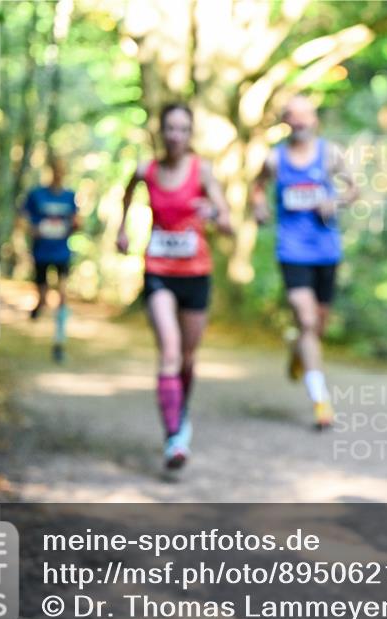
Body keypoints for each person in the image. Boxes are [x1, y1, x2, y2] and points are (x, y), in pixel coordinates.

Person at [117, 103, 232, 470]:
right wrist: (121, 229)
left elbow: (227, 220)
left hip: (196, 273)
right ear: (161, 131)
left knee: (187, 358)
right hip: (159, 272)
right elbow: (126, 193)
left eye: (183, 129)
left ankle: (180, 411)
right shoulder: (146, 169)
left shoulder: (203, 171)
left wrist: (212, 213)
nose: (176, 135)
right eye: (170, 128)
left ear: (190, 133)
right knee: (169, 351)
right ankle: (174, 437)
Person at [251, 95, 358, 430]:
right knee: (308, 320)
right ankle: (321, 401)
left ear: (314, 121)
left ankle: (299, 352)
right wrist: (259, 207)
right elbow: (257, 187)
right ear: (285, 123)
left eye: (303, 117)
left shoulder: (330, 154)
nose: (298, 123)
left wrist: (335, 200)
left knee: (317, 326)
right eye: (291, 118)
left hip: (326, 251)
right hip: (292, 250)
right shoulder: (274, 159)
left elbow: (354, 189)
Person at [20, 155, 79, 362]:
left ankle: (59, 342)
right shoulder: (36, 195)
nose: (59, 174)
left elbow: (76, 220)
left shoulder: (70, 196)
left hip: (62, 252)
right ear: (51, 171)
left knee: (62, 295)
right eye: (56, 170)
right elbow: (22, 218)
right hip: (41, 252)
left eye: (62, 171)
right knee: (44, 297)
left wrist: (76, 224)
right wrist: (32, 229)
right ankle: (38, 306)